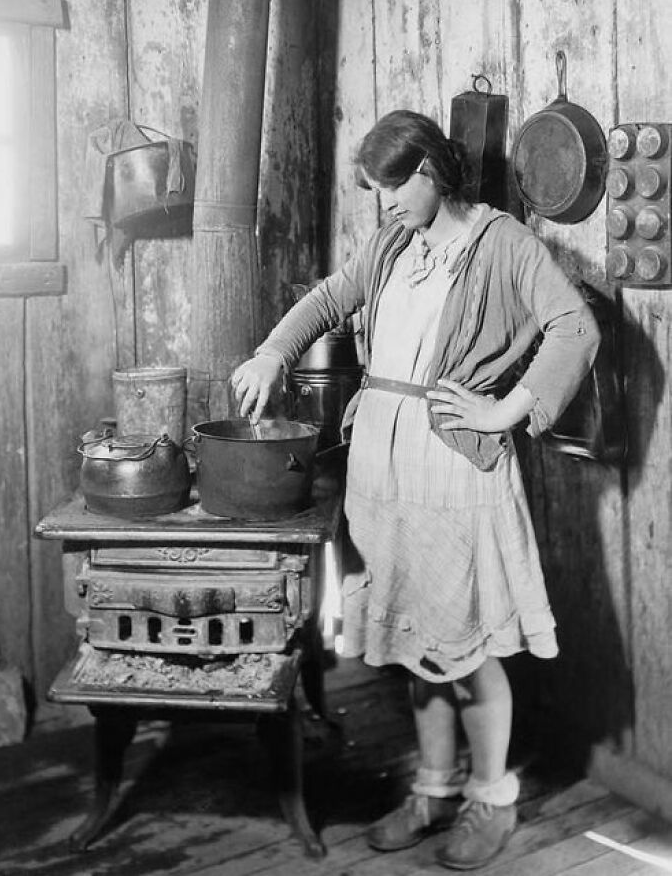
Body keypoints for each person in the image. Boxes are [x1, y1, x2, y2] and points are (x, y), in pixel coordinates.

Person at [231, 109, 600, 870]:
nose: (385, 205)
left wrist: (505, 408)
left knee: (462, 645)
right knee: (410, 644)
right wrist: (273, 352)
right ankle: (432, 789)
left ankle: (491, 797)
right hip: (381, 466)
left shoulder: (502, 243)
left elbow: (575, 328)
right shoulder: (395, 242)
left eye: (392, 189)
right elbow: (330, 298)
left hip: (451, 465)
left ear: (429, 173)